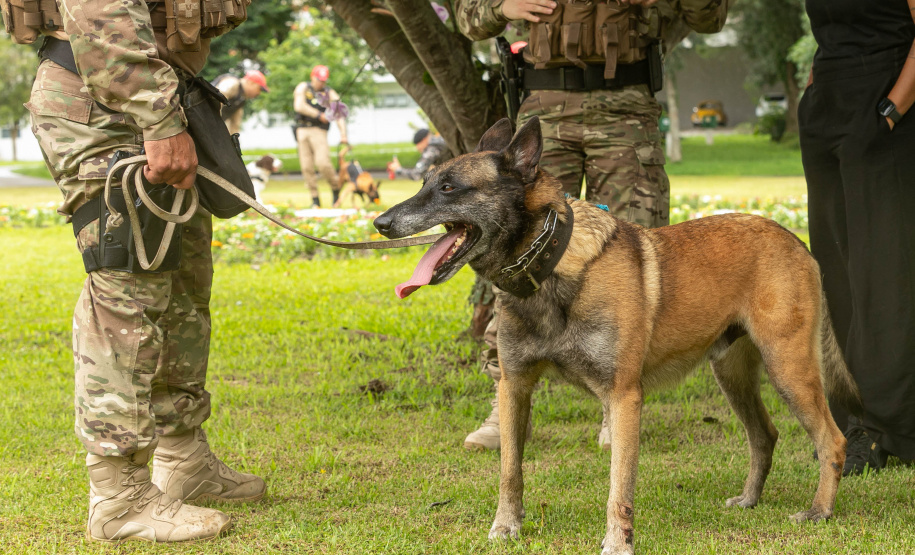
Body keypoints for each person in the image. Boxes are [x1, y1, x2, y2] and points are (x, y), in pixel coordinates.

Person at [21, 0, 265, 542]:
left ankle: (183, 459)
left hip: (162, 95)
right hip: (105, 96)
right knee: (127, 285)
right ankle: (119, 497)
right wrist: (157, 118)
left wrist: (168, 112)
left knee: (181, 283)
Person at [455, 0, 730, 451]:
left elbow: (710, 18)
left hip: (626, 111)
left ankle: (615, 405)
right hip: (545, 109)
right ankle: (506, 404)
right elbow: (468, 18)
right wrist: (504, 5)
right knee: (520, 257)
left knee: (631, 262)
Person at [799, 0, 915, 475]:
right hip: (828, 104)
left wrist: (890, 111)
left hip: (887, 102)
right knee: (835, 269)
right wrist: (812, 93)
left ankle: (897, 424)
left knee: (885, 267)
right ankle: (852, 422)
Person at [294, 65, 349, 208]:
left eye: (324, 81)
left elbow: (339, 113)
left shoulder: (329, 92)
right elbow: (299, 106)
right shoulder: (303, 87)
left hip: (319, 131)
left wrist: (343, 133)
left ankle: (335, 187)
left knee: (323, 163)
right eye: (319, 80)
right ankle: (315, 199)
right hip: (302, 130)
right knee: (306, 166)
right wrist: (319, 115)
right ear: (313, 77)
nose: (321, 83)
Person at [212, 69, 269, 135]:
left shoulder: (240, 99)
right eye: (259, 89)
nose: (259, 93)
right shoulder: (231, 83)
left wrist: (235, 143)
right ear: (251, 83)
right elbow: (215, 100)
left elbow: (235, 126)